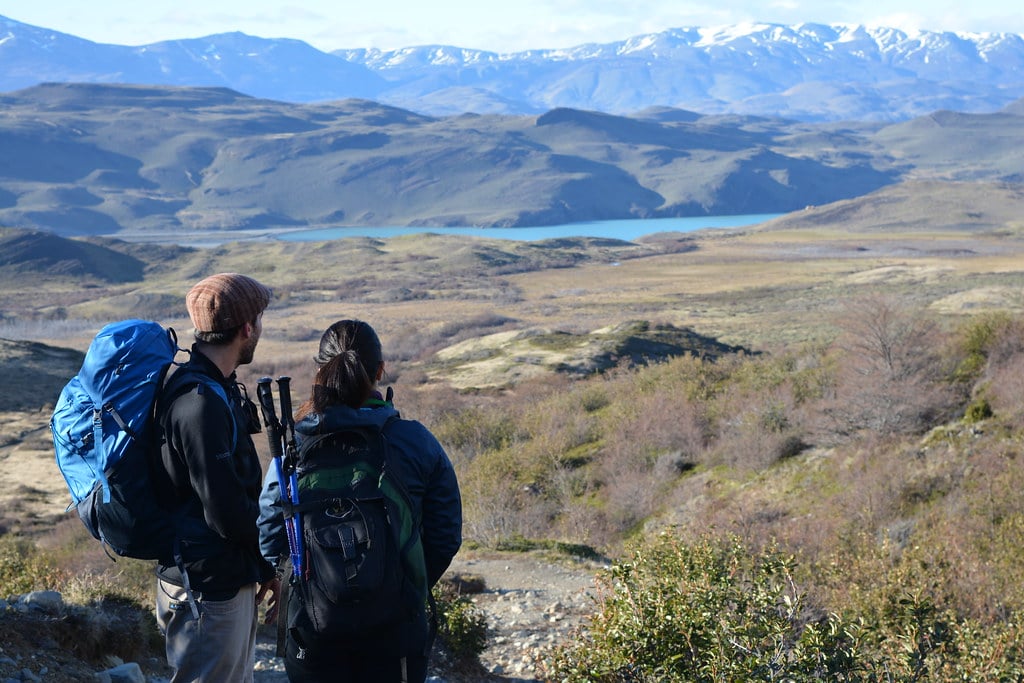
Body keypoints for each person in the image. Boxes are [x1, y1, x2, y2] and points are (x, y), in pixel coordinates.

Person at [258, 319, 463, 683]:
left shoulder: (294, 447)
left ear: (320, 371)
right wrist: (403, 583)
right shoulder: (415, 441)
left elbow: (272, 532)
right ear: (380, 371)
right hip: (396, 630)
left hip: (312, 629)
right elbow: (445, 533)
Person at [151, 272, 281, 683]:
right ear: (247, 327)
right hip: (208, 589)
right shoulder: (200, 404)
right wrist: (268, 560)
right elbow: (225, 512)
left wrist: (261, 567)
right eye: (259, 318)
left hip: (216, 581)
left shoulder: (211, 389)